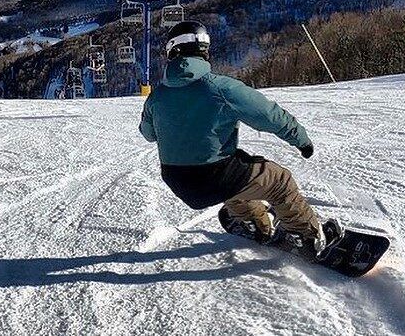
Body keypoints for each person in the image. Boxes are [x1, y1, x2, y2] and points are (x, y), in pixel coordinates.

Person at [139, 21, 339, 257]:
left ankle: (254, 222)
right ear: (204, 51)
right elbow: (268, 115)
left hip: (178, 181)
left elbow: (148, 134)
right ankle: (307, 237)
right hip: (215, 178)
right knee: (279, 181)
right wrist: (301, 140)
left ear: (172, 52)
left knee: (237, 168)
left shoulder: (157, 96)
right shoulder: (220, 88)